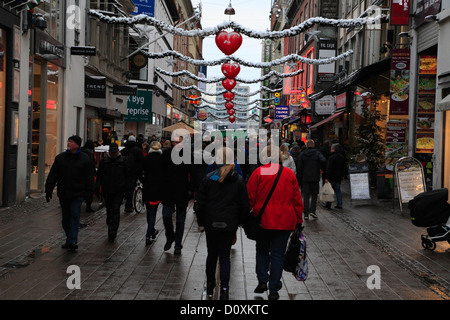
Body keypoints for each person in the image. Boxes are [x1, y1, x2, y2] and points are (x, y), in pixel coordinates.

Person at [246, 144, 304, 300]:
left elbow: (249, 197)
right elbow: (297, 199)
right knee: (278, 254)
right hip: (284, 221)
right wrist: (299, 219)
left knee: (262, 250)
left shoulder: (258, 173)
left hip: (263, 220)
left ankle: (262, 280)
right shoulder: (289, 174)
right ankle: (274, 288)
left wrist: (247, 215)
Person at [194, 147, 249, 300]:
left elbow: (200, 202)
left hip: (211, 222)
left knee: (212, 255)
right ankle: (224, 289)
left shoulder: (210, 177)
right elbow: (244, 204)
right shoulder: (237, 179)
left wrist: (201, 221)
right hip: (229, 223)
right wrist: (240, 222)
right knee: (225, 256)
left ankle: (210, 286)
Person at [45, 135, 95, 251]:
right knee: (65, 218)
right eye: (68, 141)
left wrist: (89, 192)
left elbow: (89, 177)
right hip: (64, 192)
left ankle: (73, 240)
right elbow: (53, 175)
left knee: (74, 214)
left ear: (77, 144)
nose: (69, 143)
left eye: (71, 141)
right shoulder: (60, 158)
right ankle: (69, 238)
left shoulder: (85, 159)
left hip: (78, 193)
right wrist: (49, 189)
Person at [161, 133, 192, 254]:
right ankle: (170, 236)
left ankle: (178, 244)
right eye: (176, 142)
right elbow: (161, 172)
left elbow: (192, 173)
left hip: (182, 191)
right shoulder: (166, 154)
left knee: (180, 221)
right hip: (168, 191)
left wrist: (191, 189)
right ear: (172, 142)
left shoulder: (187, 155)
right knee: (166, 216)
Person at [95, 143, 132, 242]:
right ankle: (110, 225)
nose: (113, 154)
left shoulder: (123, 161)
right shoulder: (104, 161)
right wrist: (97, 187)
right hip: (107, 189)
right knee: (109, 209)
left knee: (115, 209)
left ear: (118, 151)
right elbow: (100, 175)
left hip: (119, 190)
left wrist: (127, 188)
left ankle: (113, 230)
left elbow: (128, 175)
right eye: (112, 152)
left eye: (115, 152)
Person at [140, 141, 164, 245]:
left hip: (147, 187)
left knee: (149, 211)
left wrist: (143, 180)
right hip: (158, 188)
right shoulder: (162, 160)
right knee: (153, 212)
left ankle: (151, 231)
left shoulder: (145, 159)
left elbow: (138, 171)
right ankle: (148, 235)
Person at [296, 139, 326, 220]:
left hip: (305, 177)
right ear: (313, 145)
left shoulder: (302, 154)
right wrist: (320, 168)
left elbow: (299, 166)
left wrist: (301, 175)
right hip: (315, 177)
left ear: (306, 146)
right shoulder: (317, 153)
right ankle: (312, 210)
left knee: (306, 195)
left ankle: (305, 213)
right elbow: (323, 160)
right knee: (314, 194)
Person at [121, 134, 144, 212]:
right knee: (131, 189)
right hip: (134, 173)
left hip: (123, 173)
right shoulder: (138, 150)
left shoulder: (123, 150)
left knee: (124, 188)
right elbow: (141, 163)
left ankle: (123, 202)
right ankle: (128, 205)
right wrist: (140, 172)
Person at [325, 143, 346, 210]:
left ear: (333, 149)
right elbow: (343, 168)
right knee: (338, 190)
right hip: (338, 176)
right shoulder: (341, 157)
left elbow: (329, 168)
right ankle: (339, 204)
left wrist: (327, 177)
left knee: (330, 191)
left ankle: (328, 204)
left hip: (332, 176)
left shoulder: (331, 158)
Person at [81, 140, 96, 212]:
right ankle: (88, 206)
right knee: (89, 190)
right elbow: (92, 164)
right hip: (89, 174)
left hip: (81, 174)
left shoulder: (81, 151)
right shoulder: (90, 153)